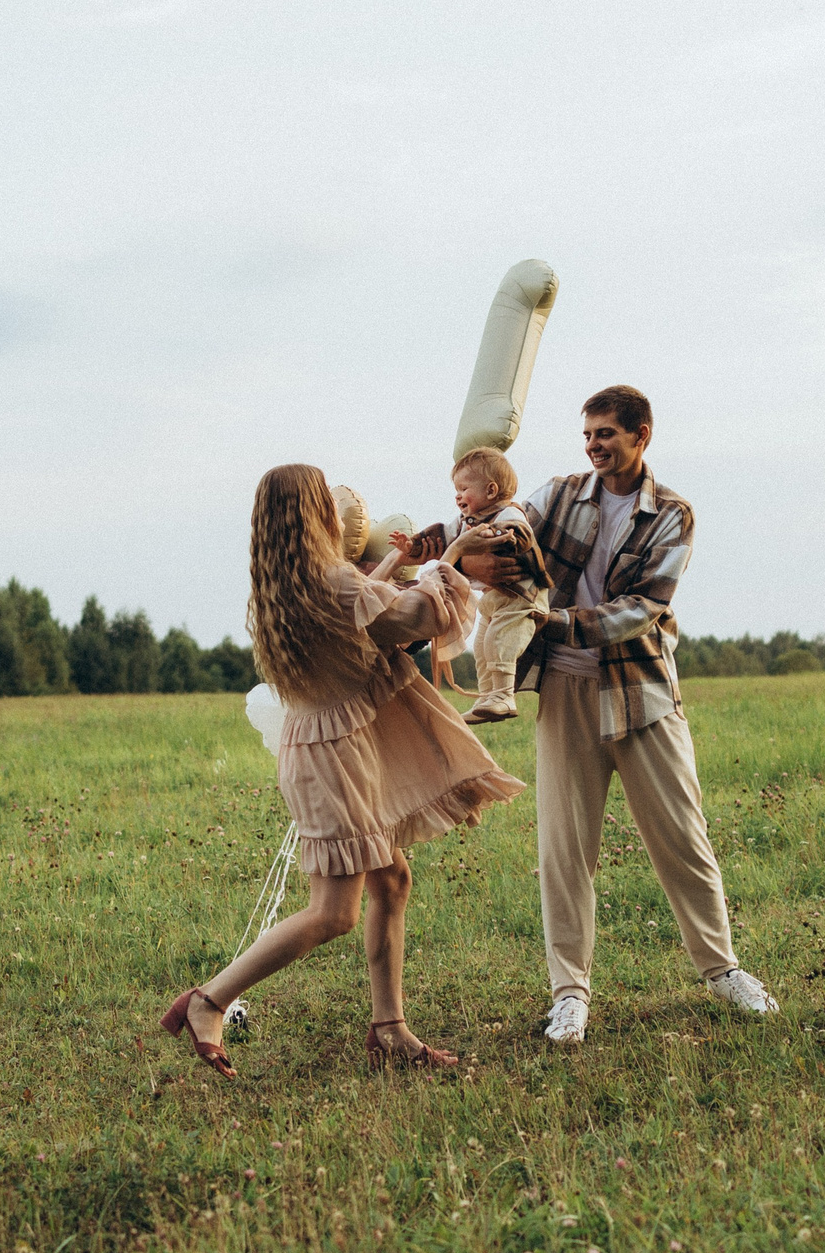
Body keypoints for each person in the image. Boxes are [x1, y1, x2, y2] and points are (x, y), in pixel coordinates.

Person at [406, 385, 774, 1044]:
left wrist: (555, 619)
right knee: (564, 851)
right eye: (588, 434)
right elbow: (507, 528)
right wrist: (456, 535)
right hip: (567, 697)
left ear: (642, 434)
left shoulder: (673, 515)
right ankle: (569, 995)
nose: (594, 445)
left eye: (606, 433)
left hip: (643, 693)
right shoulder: (560, 494)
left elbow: (644, 606)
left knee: (683, 839)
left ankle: (722, 971)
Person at [159, 464, 525, 1078]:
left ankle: (390, 1030)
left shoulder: (286, 587)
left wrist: (408, 566)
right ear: (316, 515)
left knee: (392, 881)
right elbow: (416, 619)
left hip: (322, 751)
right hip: (334, 761)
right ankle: (209, 1000)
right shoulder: (332, 582)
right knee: (335, 911)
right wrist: (454, 556)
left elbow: (366, 611)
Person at [445, 446, 550, 724]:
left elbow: (522, 536)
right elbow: (444, 536)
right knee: (481, 646)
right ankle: (487, 697)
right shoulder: (466, 520)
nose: (457, 495)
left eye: (464, 488)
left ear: (490, 491)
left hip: (521, 598)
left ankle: (504, 695)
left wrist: (500, 537)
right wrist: (419, 542)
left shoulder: (507, 515)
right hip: (493, 599)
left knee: (498, 641)